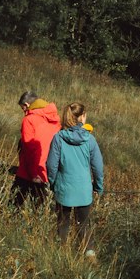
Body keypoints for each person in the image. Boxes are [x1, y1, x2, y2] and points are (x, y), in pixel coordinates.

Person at [45, 102, 104, 251]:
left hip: (63, 189)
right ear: (83, 117)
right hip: (84, 191)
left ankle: (61, 253)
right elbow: (97, 167)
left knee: (62, 224)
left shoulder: (58, 138)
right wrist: (98, 187)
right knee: (83, 225)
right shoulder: (90, 140)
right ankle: (89, 254)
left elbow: (51, 166)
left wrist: (53, 184)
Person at [11, 90, 60, 208]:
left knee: (14, 205)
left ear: (27, 105)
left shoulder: (29, 120)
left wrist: (34, 174)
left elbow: (29, 148)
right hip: (47, 171)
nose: (24, 112)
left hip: (29, 171)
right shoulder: (55, 119)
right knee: (38, 208)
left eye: (23, 109)